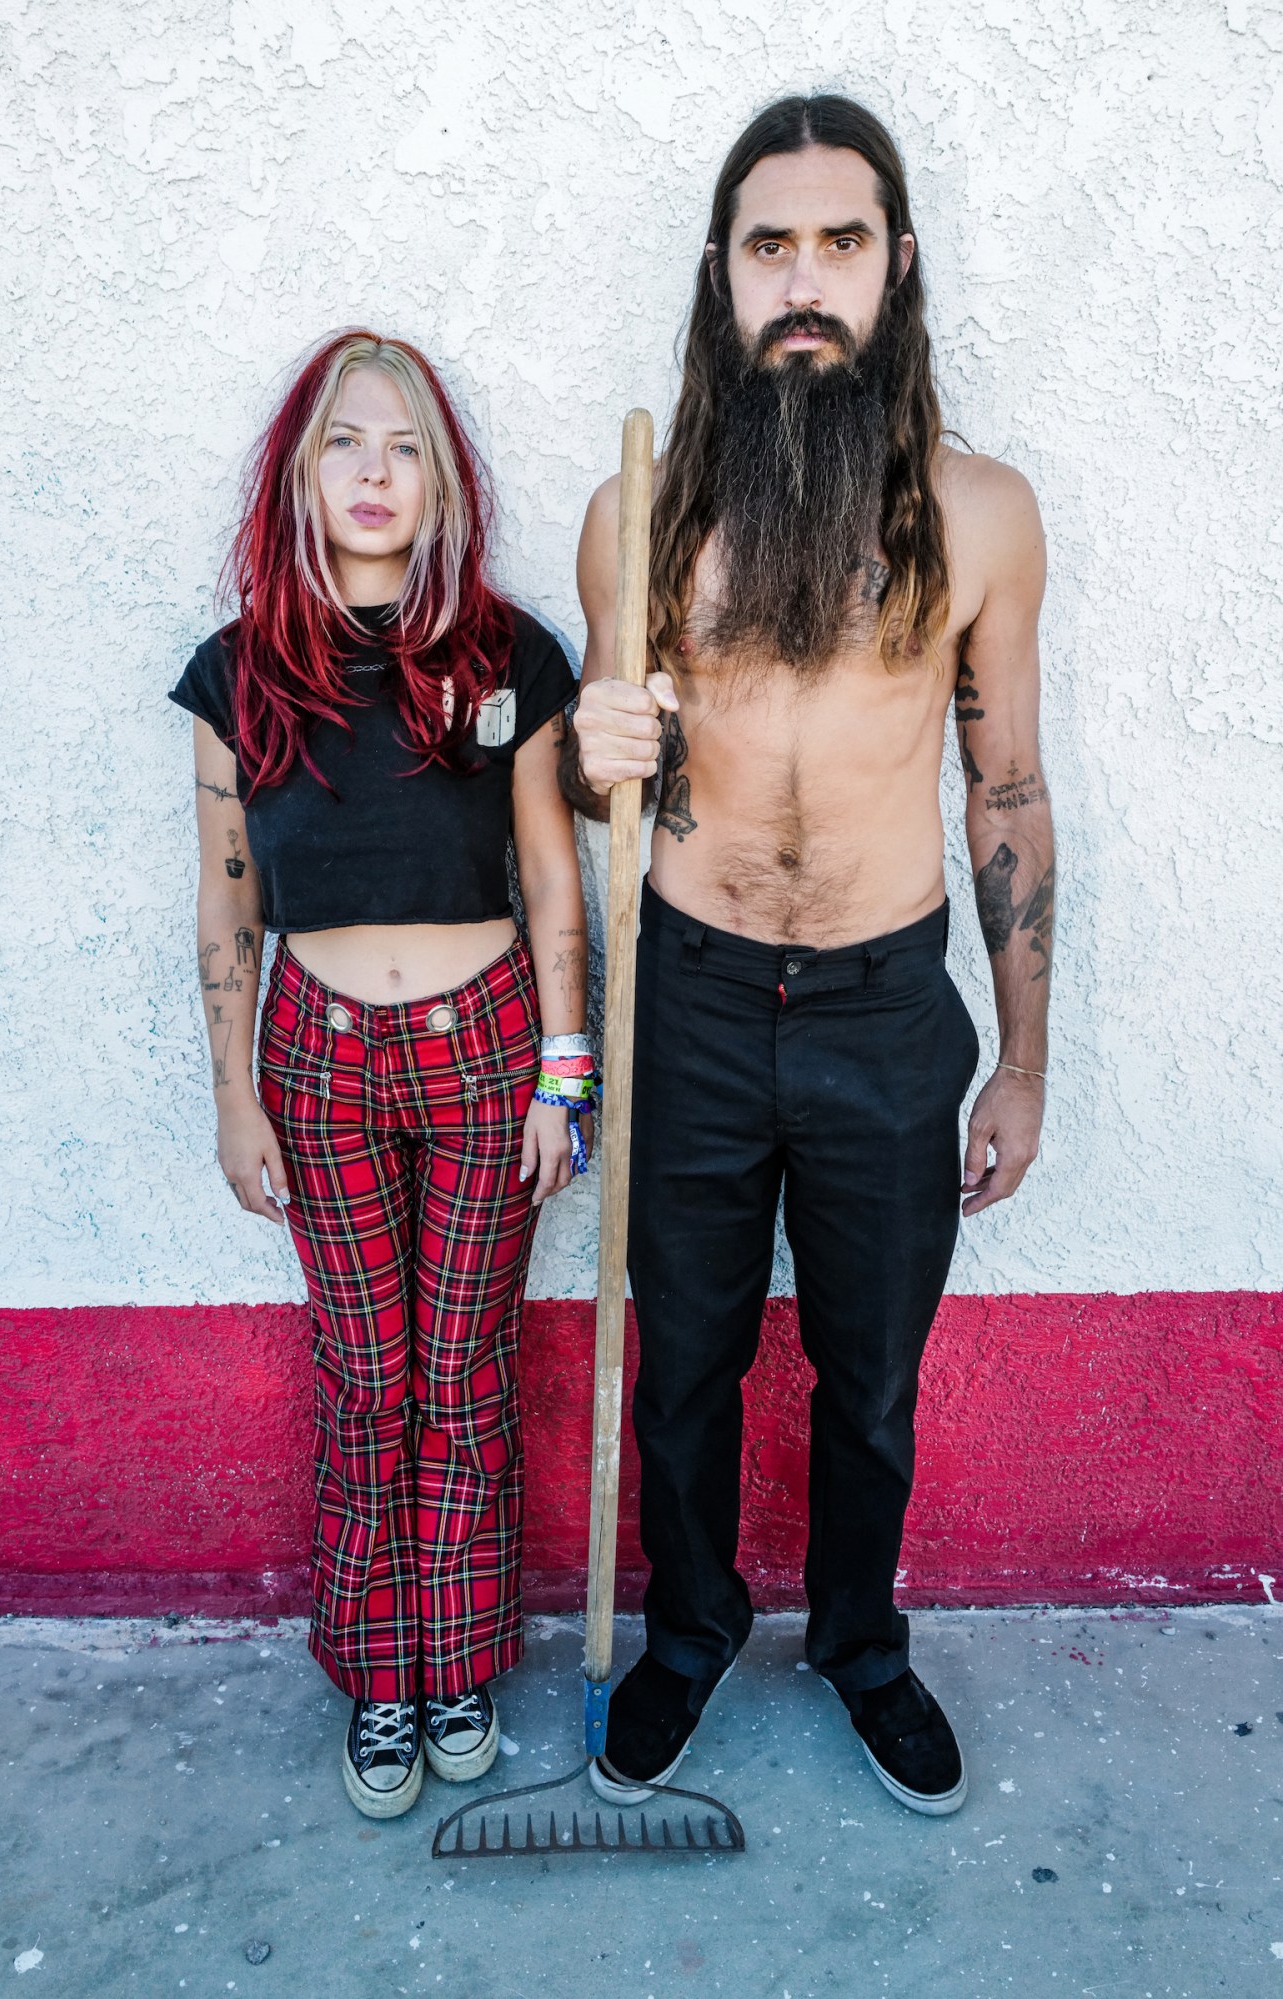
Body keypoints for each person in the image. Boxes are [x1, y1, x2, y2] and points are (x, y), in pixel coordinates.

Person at [562, 95, 1054, 1817]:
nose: (804, 281)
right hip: (690, 1002)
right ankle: (687, 1633)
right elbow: (589, 782)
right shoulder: (634, 518)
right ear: (721, 275)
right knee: (682, 1363)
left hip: (881, 1009)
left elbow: (1002, 785)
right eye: (769, 245)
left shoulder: (979, 515)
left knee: (869, 1372)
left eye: (840, 243)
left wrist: (1023, 1056)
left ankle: (862, 1641)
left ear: (894, 269)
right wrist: (585, 744)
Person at [170, 331, 592, 1820]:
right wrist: (233, 1094)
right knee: (366, 1380)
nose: (372, 470)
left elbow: (554, 875)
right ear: (299, 470)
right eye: (344, 441)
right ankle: (382, 1675)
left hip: (486, 1053)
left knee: (464, 1379)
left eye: (403, 445)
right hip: (317, 1060)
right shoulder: (237, 675)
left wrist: (565, 1075)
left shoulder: (504, 655)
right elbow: (227, 896)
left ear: (443, 480)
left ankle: (460, 1655)